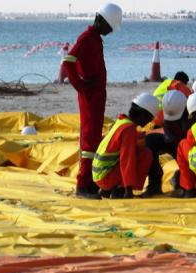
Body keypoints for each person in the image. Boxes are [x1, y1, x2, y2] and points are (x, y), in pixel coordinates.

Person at [63, 3, 123, 199]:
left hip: (96, 97)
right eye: (110, 27)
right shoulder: (87, 38)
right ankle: (82, 185)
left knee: (95, 138)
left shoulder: (95, 39)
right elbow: (68, 61)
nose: (111, 32)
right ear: (102, 20)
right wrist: (80, 85)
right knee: (88, 140)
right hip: (89, 97)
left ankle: (89, 182)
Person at [92, 93, 158, 199]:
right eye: (149, 118)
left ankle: (107, 189)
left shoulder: (122, 121)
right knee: (145, 154)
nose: (149, 122)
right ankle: (120, 189)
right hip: (106, 177)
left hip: (99, 175)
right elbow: (127, 159)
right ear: (142, 115)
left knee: (139, 148)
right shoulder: (129, 129)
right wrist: (128, 190)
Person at [142, 90, 189, 197]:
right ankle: (155, 184)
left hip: (191, 149)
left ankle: (184, 182)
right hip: (178, 144)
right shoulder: (169, 115)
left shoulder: (192, 116)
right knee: (150, 140)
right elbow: (171, 138)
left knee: (184, 146)